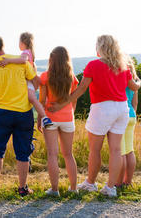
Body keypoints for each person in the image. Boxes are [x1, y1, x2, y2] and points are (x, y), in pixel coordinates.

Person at [48, 35, 141, 197]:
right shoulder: (123, 66)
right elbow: (133, 86)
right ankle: (111, 188)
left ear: (100, 49)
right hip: (121, 109)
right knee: (116, 150)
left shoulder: (93, 65)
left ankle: (90, 183)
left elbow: (82, 88)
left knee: (95, 150)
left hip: (102, 109)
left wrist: (63, 104)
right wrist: (139, 82)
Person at [0, 35, 40, 197]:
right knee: (23, 152)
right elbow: (34, 81)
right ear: (3, 45)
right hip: (24, 113)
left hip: (2, 112)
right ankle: (22, 188)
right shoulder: (21, 60)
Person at [38, 46, 79, 196]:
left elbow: (42, 101)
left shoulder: (45, 76)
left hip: (49, 117)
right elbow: (73, 100)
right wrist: (69, 113)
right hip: (68, 118)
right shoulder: (72, 77)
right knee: (68, 154)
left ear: (51, 60)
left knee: (52, 155)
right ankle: (74, 188)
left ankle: (54, 190)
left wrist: (39, 119)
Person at [0, 32, 53, 128]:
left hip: (29, 81)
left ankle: (45, 117)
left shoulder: (25, 52)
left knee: (32, 98)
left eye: (19, 42)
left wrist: (8, 60)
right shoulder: (29, 52)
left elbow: (23, 60)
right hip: (28, 80)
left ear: (23, 42)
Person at [116, 57, 139, 188]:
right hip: (132, 116)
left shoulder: (120, 79)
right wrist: (132, 114)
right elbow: (135, 103)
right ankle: (128, 182)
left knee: (120, 151)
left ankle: (118, 183)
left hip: (121, 115)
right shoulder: (134, 82)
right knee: (130, 150)